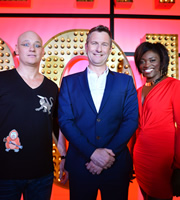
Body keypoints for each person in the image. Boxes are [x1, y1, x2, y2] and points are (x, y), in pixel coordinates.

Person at [58, 25, 138, 200]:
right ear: (86, 46)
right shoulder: (69, 82)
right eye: (94, 43)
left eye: (104, 44)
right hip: (81, 165)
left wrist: (108, 155)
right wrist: (93, 154)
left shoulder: (125, 82)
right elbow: (65, 121)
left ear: (110, 48)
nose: (99, 49)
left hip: (115, 164)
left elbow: (131, 120)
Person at [0, 31, 68, 200]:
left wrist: (64, 156)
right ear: (16, 49)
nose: (32, 49)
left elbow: (55, 125)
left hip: (42, 174)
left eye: (37, 45)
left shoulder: (52, 88)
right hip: (5, 174)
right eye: (26, 44)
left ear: (43, 51)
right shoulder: (2, 80)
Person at [133, 41, 180, 200]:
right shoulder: (138, 91)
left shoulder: (174, 86)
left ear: (162, 61)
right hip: (140, 157)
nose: (147, 64)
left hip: (162, 161)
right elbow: (135, 128)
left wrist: (179, 166)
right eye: (142, 61)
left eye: (152, 60)